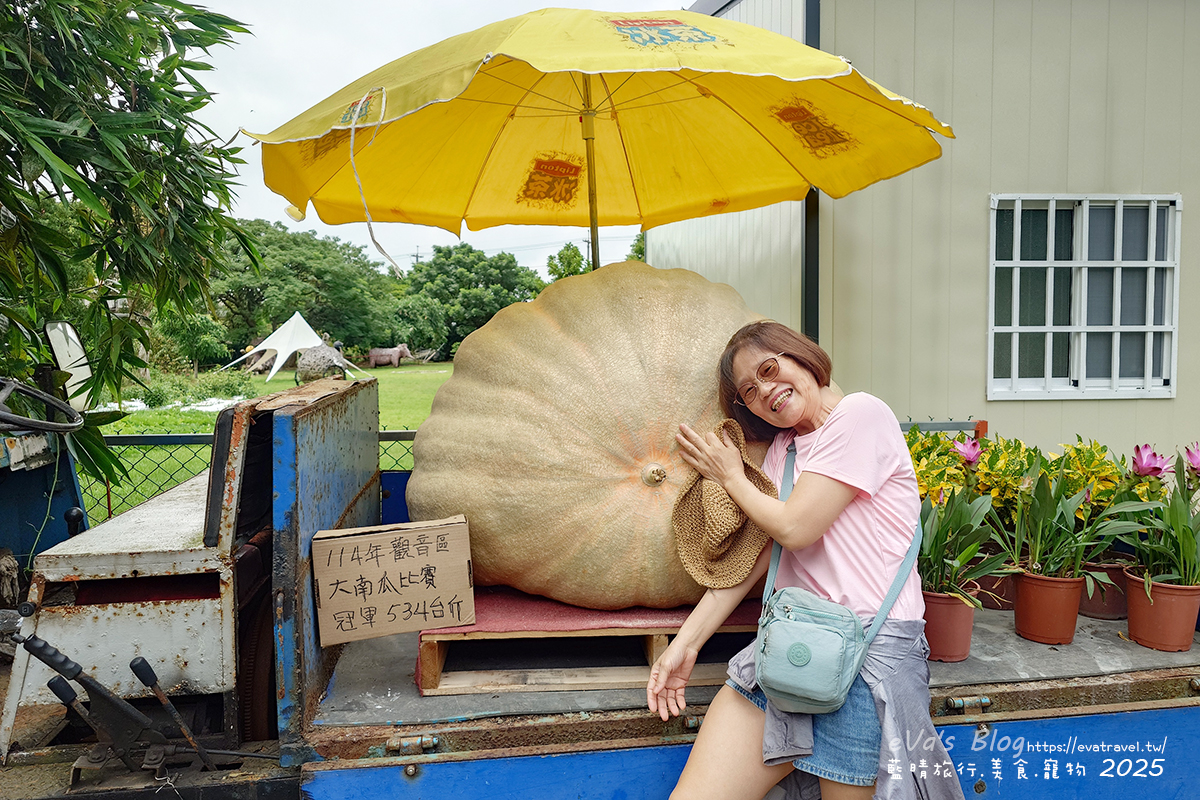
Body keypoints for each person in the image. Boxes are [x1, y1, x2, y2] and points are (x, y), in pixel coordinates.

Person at [648, 321, 963, 800]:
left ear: (801, 356)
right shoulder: (784, 452)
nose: (765, 391)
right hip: (790, 648)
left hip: (869, 657)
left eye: (769, 369)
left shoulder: (861, 415)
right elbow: (757, 559)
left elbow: (795, 527)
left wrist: (731, 476)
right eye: (749, 392)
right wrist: (685, 645)